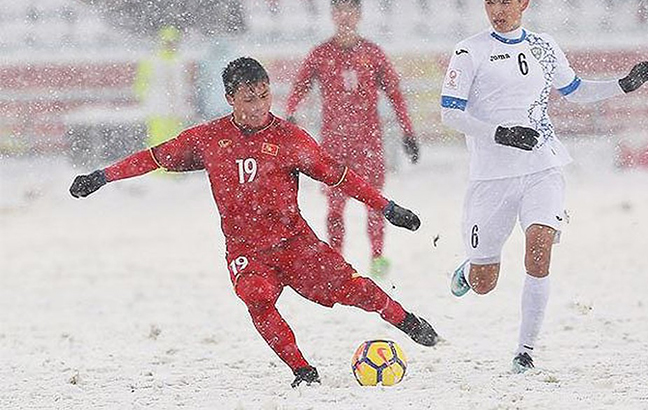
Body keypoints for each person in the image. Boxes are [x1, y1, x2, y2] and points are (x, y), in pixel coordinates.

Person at [70, 57, 438, 387]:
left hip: (296, 243)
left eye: (265, 96)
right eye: (250, 99)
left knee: (356, 291)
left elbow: (339, 176)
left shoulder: (290, 139)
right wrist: (102, 176)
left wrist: (387, 207)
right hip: (247, 250)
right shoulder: (208, 139)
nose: (260, 106)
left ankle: (408, 321)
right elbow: (153, 157)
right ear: (231, 98)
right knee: (256, 297)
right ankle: (303, 372)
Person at [441, 0, 648, 373]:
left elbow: (575, 91)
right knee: (485, 283)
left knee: (538, 248)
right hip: (491, 177)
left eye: (505, 1)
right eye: (489, 2)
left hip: (543, 165)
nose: (497, 11)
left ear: (524, 2)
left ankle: (525, 351)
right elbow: (450, 113)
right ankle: (470, 269)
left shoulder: (544, 46)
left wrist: (622, 85)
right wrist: (500, 133)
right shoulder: (469, 51)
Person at [285, 0, 420, 279]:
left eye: (350, 11)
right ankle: (336, 260)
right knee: (335, 206)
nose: (345, 17)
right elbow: (300, 87)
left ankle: (378, 257)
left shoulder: (371, 54)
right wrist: (292, 113)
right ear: (332, 15)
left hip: (368, 140)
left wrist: (408, 132)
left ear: (359, 16)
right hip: (334, 143)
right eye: (339, 11)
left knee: (375, 201)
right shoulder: (322, 54)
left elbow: (395, 93)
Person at [133, 25, 192, 147]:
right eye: (168, 42)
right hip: (158, 108)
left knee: (175, 142)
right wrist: (147, 99)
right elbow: (141, 83)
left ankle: (171, 166)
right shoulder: (153, 60)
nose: (171, 45)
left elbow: (183, 85)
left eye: (173, 42)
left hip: (175, 110)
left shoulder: (179, 61)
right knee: (158, 141)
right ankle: (159, 165)